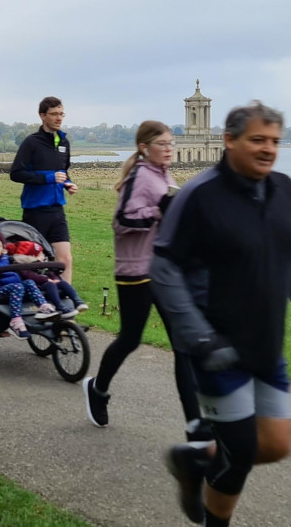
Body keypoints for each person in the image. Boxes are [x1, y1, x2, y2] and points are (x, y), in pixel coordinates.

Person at [151, 102, 291, 526]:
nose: (268, 149)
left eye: (275, 141)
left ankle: (196, 461)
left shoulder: (284, 189)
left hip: (266, 340)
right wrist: (200, 337)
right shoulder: (200, 195)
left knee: (277, 444)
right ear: (229, 141)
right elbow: (164, 266)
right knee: (242, 451)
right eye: (258, 140)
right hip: (218, 345)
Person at [81, 121, 207, 440]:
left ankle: (194, 423)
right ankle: (98, 389)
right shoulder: (139, 176)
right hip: (135, 271)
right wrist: (158, 210)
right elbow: (122, 220)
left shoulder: (165, 176)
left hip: (165, 271)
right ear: (144, 147)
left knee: (183, 345)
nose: (169, 149)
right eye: (162, 143)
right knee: (130, 338)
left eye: (171, 143)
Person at [10, 96, 79, 283]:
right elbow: (16, 173)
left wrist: (68, 184)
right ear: (42, 116)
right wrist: (48, 178)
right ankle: (32, 300)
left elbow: (63, 172)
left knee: (65, 259)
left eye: (61, 114)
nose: (59, 118)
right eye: (54, 114)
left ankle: (66, 303)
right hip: (35, 211)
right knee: (33, 260)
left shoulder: (64, 143)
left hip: (57, 210)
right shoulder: (32, 143)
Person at [0, 229, 58, 340]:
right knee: (18, 286)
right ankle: (15, 321)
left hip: (14, 288)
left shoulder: (5, 258)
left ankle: (43, 308)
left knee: (29, 282)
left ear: (3, 249)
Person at [5, 239, 86, 318]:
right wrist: (47, 280)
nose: (43, 256)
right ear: (32, 256)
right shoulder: (23, 267)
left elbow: (50, 272)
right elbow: (31, 277)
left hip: (48, 282)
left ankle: (77, 301)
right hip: (36, 287)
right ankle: (59, 306)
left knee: (63, 283)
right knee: (50, 285)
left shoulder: (42, 264)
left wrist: (55, 279)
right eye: (40, 254)